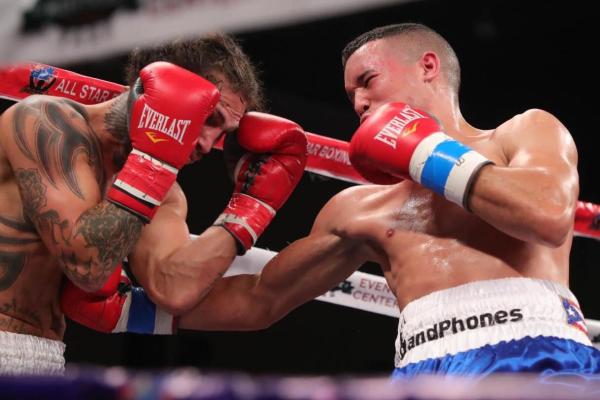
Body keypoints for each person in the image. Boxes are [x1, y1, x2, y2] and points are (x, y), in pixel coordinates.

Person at [62, 22, 600, 379]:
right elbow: (258, 300)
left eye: (367, 82)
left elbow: (548, 216)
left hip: (536, 350)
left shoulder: (521, 133)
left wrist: (428, 152)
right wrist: (129, 314)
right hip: (422, 368)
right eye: (350, 97)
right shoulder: (358, 209)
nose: (360, 103)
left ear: (428, 66)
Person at [0, 33, 307, 375]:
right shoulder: (46, 122)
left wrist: (251, 205)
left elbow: (173, 289)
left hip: (44, 359)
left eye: (222, 133)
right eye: (209, 118)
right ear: (157, 90)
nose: (208, 145)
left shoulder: (166, 190)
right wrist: (153, 162)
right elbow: (88, 267)